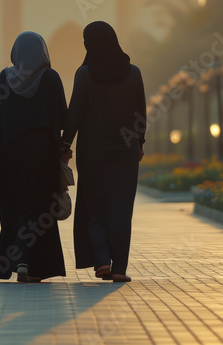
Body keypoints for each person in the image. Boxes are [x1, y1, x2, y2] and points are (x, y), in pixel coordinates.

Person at [62, 21, 146, 283]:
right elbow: (140, 113)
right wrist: (139, 143)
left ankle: (101, 261)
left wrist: (65, 145)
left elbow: (74, 113)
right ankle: (119, 268)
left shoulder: (84, 74)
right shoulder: (133, 73)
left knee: (95, 209)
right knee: (121, 210)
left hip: (93, 154)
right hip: (125, 153)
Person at [0, 31, 68, 283]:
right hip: (44, 156)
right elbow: (63, 117)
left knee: (15, 208)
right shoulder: (51, 78)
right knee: (39, 209)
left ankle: (18, 261)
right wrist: (64, 148)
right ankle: (29, 264)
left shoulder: (4, 77)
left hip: (11, 158)